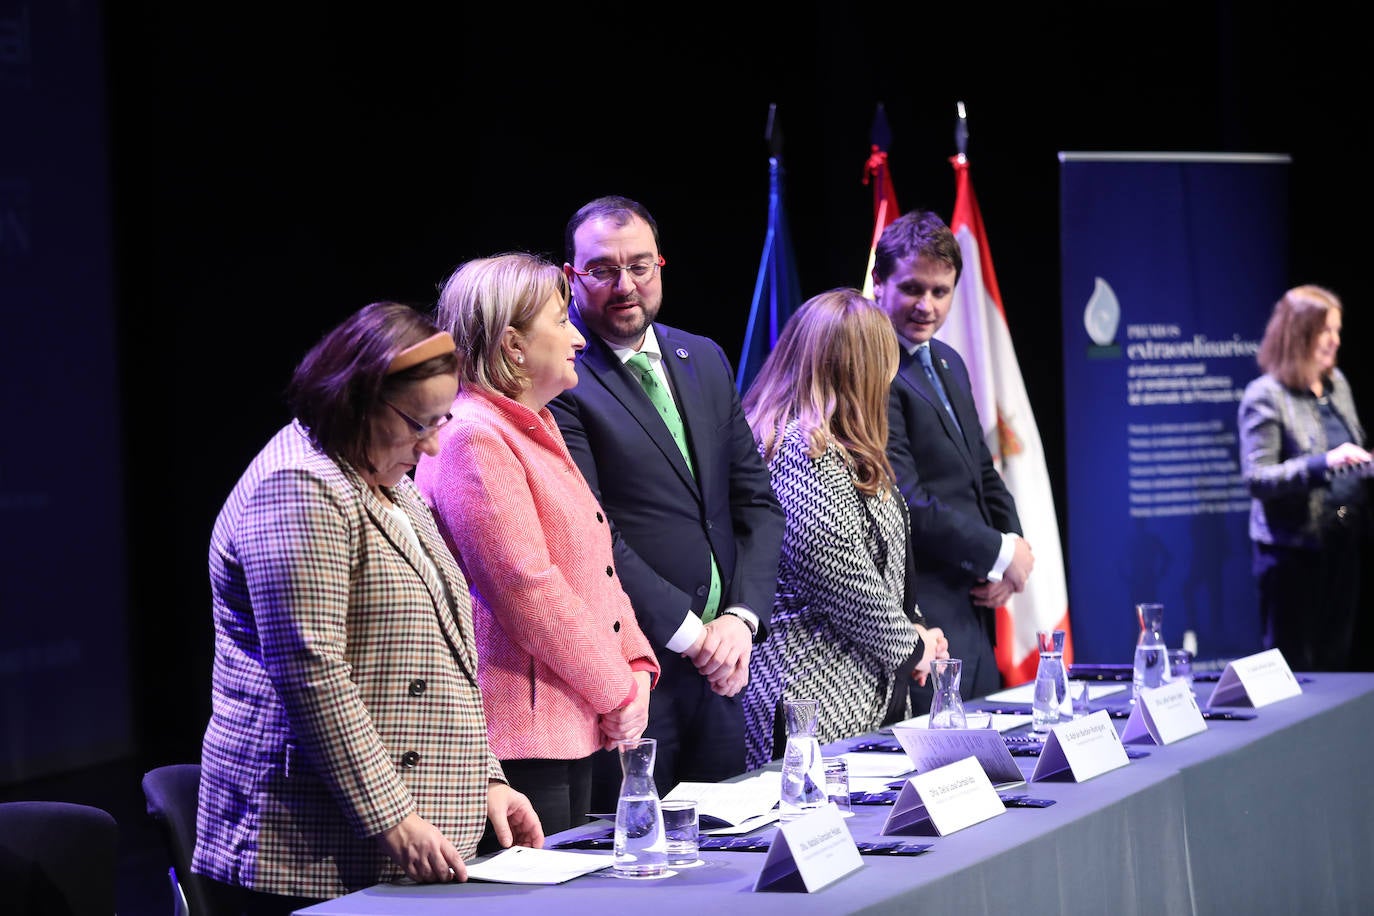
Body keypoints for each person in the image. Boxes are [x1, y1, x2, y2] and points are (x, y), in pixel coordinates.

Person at [195, 302, 543, 914]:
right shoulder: (301, 486)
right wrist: (392, 816)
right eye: (419, 423)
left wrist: (484, 779)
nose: (433, 445)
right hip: (312, 854)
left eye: (441, 421)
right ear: (357, 399)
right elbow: (311, 674)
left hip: (405, 836)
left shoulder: (384, 478)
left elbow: (447, 651)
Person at [548, 195, 785, 807]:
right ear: (571, 276)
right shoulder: (562, 376)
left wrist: (741, 619)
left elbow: (754, 504)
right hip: (633, 673)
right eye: (602, 269)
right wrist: (690, 634)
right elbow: (592, 532)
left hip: (727, 665)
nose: (625, 285)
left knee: (730, 866)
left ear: (660, 266)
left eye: (640, 266)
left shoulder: (702, 356)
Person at [414, 252, 660, 835]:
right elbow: (527, 590)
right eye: (560, 321)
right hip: (520, 741)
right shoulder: (474, 436)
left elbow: (597, 568)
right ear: (513, 346)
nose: (578, 335)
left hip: (574, 722)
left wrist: (637, 668)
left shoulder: (534, 424)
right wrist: (616, 689)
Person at [740, 289, 947, 769]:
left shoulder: (837, 446)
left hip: (851, 699)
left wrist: (913, 633)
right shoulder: (802, 447)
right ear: (861, 369)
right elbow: (836, 572)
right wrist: (911, 647)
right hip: (812, 701)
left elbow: (881, 566)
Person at [873, 209, 1035, 706]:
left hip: (974, 602)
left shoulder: (949, 360)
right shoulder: (872, 368)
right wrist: (1000, 554)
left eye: (940, 292)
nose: (926, 305)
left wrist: (1012, 551)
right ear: (879, 283)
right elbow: (907, 501)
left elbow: (982, 470)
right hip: (922, 613)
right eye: (912, 289)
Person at [1238, 284, 1371, 671]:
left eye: (1338, 330)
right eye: (1325, 331)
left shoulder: (1337, 384)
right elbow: (1258, 478)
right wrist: (1323, 463)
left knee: (1337, 661)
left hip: (1343, 542)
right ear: (1298, 335)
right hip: (1293, 552)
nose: (1335, 341)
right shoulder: (1265, 396)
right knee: (1296, 670)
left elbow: (1351, 448)